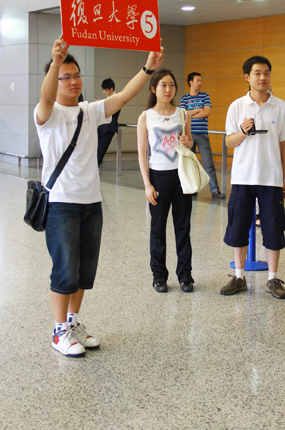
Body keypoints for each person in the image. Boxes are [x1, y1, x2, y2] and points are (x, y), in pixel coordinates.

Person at [35, 33, 163, 357]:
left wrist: (148, 68)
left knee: (83, 272)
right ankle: (59, 331)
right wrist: (56, 62)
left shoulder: (89, 111)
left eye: (77, 75)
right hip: (61, 204)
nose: (74, 81)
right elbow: (46, 95)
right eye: (66, 76)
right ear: (55, 79)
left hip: (92, 203)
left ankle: (73, 322)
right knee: (65, 269)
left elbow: (124, 96)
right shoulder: (47, 114)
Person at [220, 56, 285, 299]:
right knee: (238, 226)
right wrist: (242, 131)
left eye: (266, 73)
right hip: (243, 177)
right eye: (257, 73)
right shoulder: (237, 106)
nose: (262, 77)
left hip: (271, 178)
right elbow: (229, 142)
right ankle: (239, 276)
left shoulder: (280, 106)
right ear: (247, 77)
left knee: (273, 228)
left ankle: (273, 279)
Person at [137, 68, 194, 293]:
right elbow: (142, 153)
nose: (168, 89)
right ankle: (159, 276)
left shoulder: (183, 114)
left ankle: (185, 276)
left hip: (181, 176)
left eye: (171, 85)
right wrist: (147, 184)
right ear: (154, 88)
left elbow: (190, 142)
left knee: (183, 227)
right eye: (163, 85)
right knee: (158, 228)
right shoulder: (146, 117)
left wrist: (187, 141)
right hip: (158, 176)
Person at [180, 72, 225, 199]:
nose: (200, 83)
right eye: (197, 80)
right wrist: (198, 110)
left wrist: (192, 114)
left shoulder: (205, 96)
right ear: (191, 82)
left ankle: (215, 190)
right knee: (190, 163)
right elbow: (183, 114)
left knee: (208, 163)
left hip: (202, 134)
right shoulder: (184, 98)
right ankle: (192, 188)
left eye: (201, 80)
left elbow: (207, 112)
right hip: (189, 135)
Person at [97, 78, 121, 166]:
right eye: (103, 90)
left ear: (111, 89)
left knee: (100, 151)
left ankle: (94, 168)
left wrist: (101, 104)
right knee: (94, 148)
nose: (104, 92)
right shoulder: (107, 99)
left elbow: (112, 111)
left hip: (109, 127)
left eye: (106, 90)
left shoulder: (117, 98)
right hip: (101, 126)